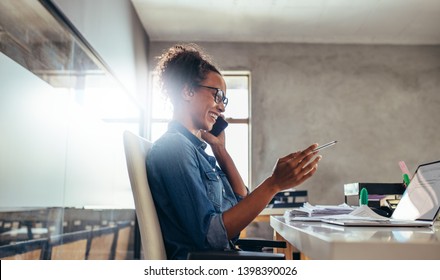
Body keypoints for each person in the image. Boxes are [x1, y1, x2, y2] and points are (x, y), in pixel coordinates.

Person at [146, 43, 322, 260]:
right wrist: (273, 184)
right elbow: (210, 236)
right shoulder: (174, 148)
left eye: (224, 100)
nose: (222, 107)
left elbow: (240, 205)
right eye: (217, 96)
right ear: (187, 90)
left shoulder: (197, 152)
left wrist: (221, 151)